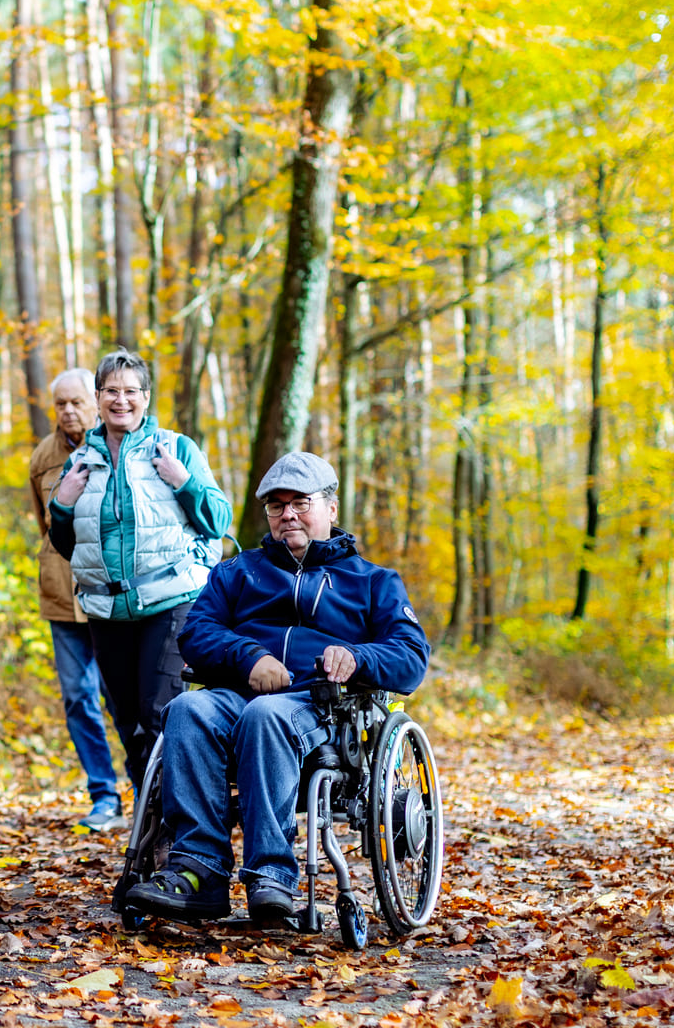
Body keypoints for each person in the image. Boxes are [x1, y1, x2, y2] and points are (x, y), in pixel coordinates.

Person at [124, 452, 430, 926]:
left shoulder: (373, 582)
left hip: (322, 709)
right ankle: (199, 871)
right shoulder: (237, 572)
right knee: (187, 709)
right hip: (238, 695)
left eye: (300, 503)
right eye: (276, 505)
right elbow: (196, 631)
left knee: (265, 716)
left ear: (331, 507)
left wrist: (357, 657)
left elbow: (410, 657)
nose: (288, 514)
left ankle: (272, 875)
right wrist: (249, 657)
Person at [48, 348, 231, 796]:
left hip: (170, 602)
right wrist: (62, 505)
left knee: (159, 716)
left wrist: (183, 481)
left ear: (146, 398)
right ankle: (149, 818)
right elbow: (68, 546)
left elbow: (219, 521)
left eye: (131, 391)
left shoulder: (176, 448)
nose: (121, 400)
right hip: (106, 610)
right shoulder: (80, 462)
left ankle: (176, 824)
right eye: (111, 391)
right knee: (127, 723)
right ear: (98, 397)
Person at [28, 369, 123, 832]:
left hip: (110, 594)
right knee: (78, 697)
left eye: (76, 402)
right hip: (62, 597)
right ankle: (104, 795)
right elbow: (46, 526)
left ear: (96, 402)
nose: (68, 411)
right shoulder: (42, 458)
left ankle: (149, 785)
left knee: (122, 696)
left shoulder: (117, 446)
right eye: (60, 403)